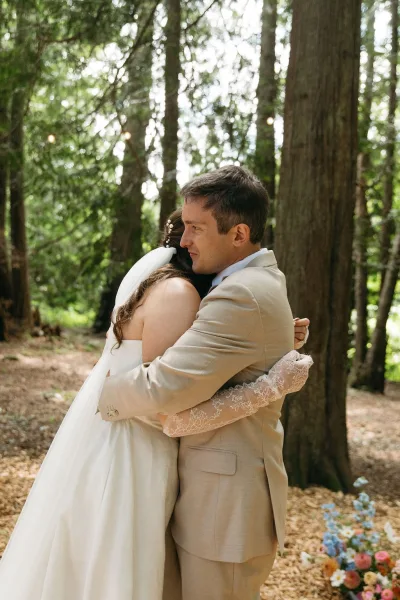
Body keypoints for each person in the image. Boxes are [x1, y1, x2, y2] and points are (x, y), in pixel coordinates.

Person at [0, 206, 312, 599]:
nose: (191, 242)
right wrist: (270, 386)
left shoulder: (168, 288)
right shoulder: (179, 295)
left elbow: (209, 360)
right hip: (136, 452)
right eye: (192, 232)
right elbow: (170, 411)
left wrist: (273, 338)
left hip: (129, 446)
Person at [98, 165, 312, 600]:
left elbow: (164, 394)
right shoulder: (250, 282)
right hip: (216, 502)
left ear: (238, 235)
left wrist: (101, 394)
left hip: (225, 515)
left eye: (196, 227)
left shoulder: (241, 293)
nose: (183, 239)